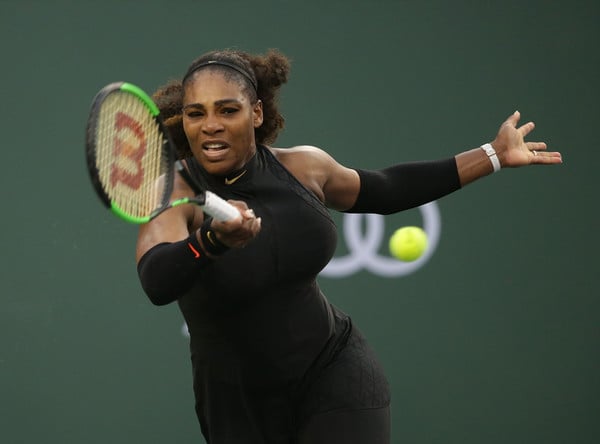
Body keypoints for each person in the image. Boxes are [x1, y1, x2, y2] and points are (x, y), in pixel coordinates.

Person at [135, 48, 562, 444]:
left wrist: (494, 154)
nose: (210, 124)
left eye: (228, 110)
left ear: (257, 113)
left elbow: (386, 189)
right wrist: (211, 241)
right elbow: (156, 278)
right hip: (237, 404)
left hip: (332, 367)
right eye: (197, 113)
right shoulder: (173, 192)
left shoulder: (304, 167)